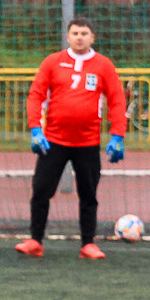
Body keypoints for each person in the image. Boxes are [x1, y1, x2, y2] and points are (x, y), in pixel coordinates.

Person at [17, 17, 126, 259]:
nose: (79, 37)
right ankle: (35, 241)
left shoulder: (104, 66)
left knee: (88, 194)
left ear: (92, 37)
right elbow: (36, 95)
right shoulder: (52, 62)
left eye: (84, 33)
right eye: (75, 33)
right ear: (68, 36)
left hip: (87, 143)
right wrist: (35, 129)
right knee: (41, 190)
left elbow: (117, 100)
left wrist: (118, 134)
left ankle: (88, 244)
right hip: (53, 141)